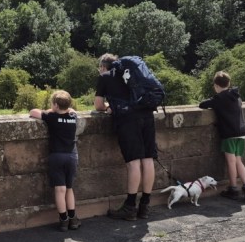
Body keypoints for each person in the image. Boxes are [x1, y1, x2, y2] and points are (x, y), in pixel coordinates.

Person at [93, 53, 157, 220]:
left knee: (134, 163)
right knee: (148, 159)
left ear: (102, 66)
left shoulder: (105, 77)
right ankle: (145, 205)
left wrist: (109, 106)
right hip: (147, 115)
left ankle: (130, 207)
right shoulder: (133, 74)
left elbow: (98, 105)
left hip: (128, 120)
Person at [198, 70, 245, 201]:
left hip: (228, 134)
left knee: (231, 161)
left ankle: (233, 188)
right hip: (241, 132)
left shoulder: (219, 98)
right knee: (239, 160)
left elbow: (203, 104)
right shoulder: (236, 96)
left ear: (216, 86)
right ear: (228, 83)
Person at [29, 90, 80, 232]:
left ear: (56, 105)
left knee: (60, 189)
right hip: (71, 156)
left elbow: (33, 112)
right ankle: (73, 219)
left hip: (57, 156)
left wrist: (50, 110)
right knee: (69, 188)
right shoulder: (73, 116)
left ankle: (63, 220)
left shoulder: (51, 117)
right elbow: (72, 110)